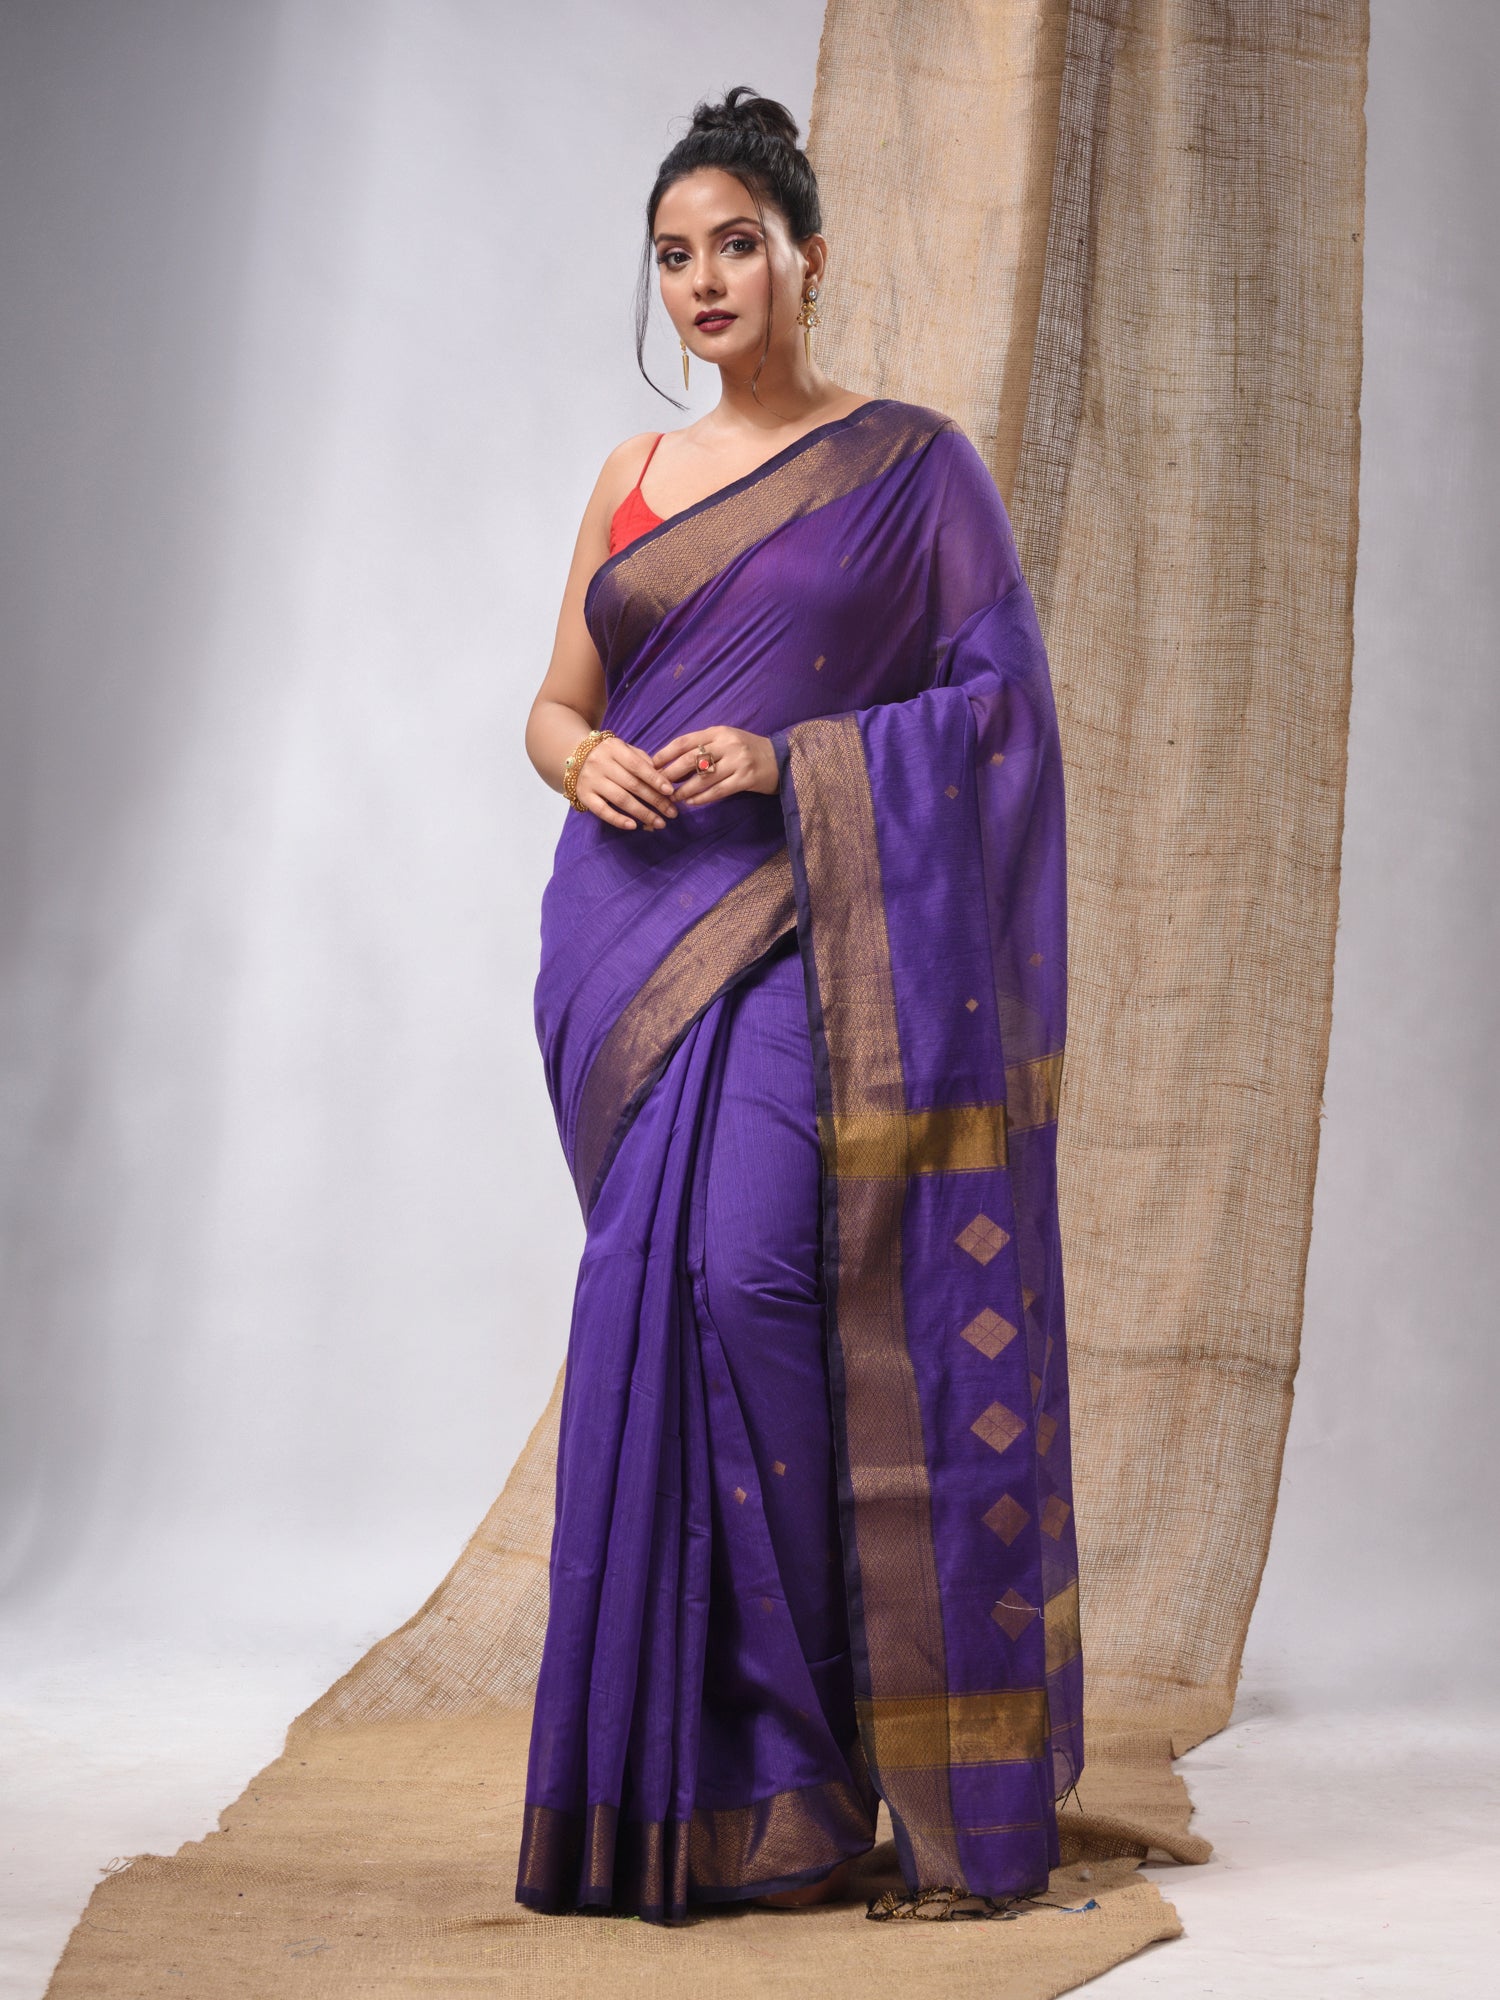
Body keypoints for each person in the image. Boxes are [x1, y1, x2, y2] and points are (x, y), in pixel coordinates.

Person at [518, 86, 1081, 1926]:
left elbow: (1002, 713)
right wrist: (584, 759)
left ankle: (821, 1746)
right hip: (627, 939)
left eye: (737, 246)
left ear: (807, 259)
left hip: (796, 921)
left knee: (755, 1279)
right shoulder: (631, 475)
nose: (704, 281)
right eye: (675, 256)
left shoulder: (915, 468)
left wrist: (795, 759)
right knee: (651, 1302)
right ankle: (720, 1787)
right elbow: (553, 704)